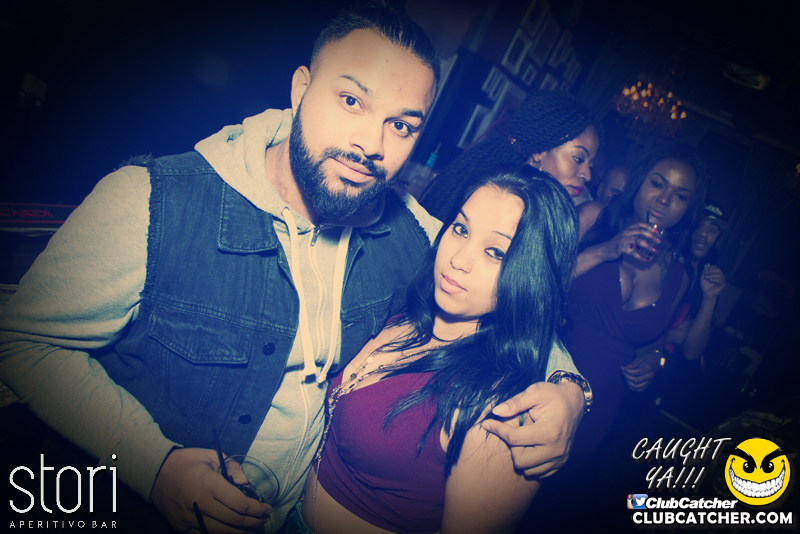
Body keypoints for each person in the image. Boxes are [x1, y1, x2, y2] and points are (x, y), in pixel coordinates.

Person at [0, 5, 585, 533]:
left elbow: (510, 292)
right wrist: (154, 466)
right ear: (301, 86)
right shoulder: (153, 199)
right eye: (352, 101)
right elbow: (20, 342)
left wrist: (569, 392)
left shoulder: (411, 231)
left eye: (402, 125)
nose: (371, 144)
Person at [294, 169, 583, 534]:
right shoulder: (405, 311)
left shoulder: (499, 408)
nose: (459, 259)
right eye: (460, 229)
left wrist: (573, 391)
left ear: (532, 276)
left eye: (495, 252)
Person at [564, 144, 708, 461]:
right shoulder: (593, 216)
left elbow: (652, 341)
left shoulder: (680, 272)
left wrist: (651, 360)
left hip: (599, 405)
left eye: (680, 195)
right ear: (639, 181)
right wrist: (605, 251)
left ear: (689, 208)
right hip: (543, 373)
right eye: (657, 183)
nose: (665, 199)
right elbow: (535, 277)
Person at [421, 90, 600, 221]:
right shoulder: (507, 202)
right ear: (540, 151)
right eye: (578, 158)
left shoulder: (536, 207)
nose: (587, 175)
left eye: (590, 164)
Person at [664, 203, 728, 360]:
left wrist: (710, 299)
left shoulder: (708, 278)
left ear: (718, 235)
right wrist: (667, 336)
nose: (703, 234)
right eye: (699, 225)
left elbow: (692, 352)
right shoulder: (666, 260)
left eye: (712, 229)